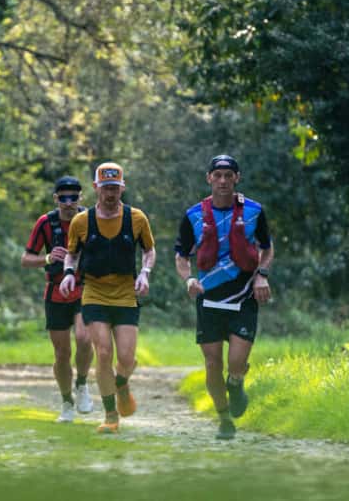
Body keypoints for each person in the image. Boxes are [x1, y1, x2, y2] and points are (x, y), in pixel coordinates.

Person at [174, 155, 273, 440]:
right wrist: (189, 278)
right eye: (217, 175)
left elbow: (267, 247)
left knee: (237, 363)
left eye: (228, 175)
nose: (222, 181)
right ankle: (224, 418)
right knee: (212, 363)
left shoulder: (254, 211)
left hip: (244, 298)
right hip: (208, 300)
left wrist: (262, 275)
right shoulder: (194, 214)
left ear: (237, 179)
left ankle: (237, 382)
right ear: (209, 178)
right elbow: (181, 256)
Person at [59, 162, 155, 434]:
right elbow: (72, 253)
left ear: (123, 187)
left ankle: (122, 382)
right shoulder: (81, 221)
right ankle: (111, 416)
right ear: (95, 188)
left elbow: (149, 251)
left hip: (125, 293)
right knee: (103, 353)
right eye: (105, 188)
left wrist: (145, 273)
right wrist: (68, 273)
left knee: (126, 358)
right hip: (95, 292)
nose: (110, 194)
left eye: (115, 188)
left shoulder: (137, 218)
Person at [20, 176, 96, 422]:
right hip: (55, 292)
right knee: (62, 353)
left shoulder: (91, 220)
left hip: (85, 288)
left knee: (85, 339)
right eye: (63, 197)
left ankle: (82, 384)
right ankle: (66, 401)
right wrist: (48, 259)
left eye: (73, 197)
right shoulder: (45, 223)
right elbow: (25, 259)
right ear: (56, 199)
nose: (68, 202)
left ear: (81, 198)